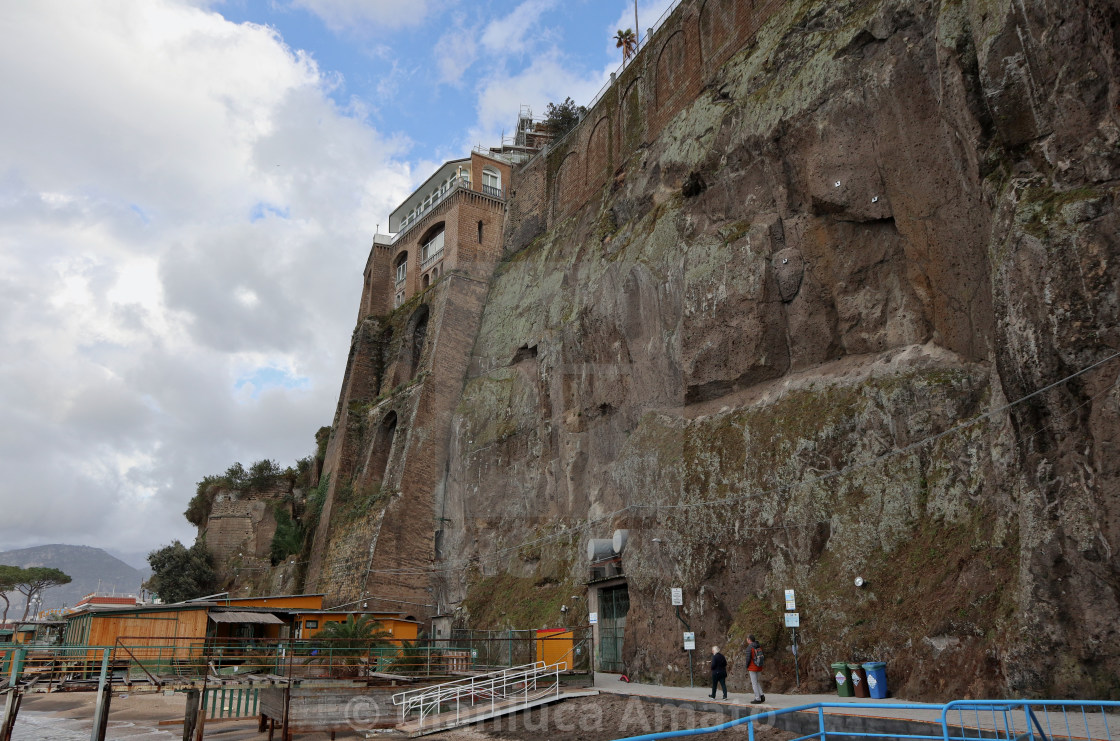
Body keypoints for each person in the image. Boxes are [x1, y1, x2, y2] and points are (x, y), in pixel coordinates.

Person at [747, 634, 765, 704]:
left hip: (752, 667)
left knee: (754, 683)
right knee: (757, 682)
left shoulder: (750, 647)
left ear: (749, 640)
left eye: (747, 639)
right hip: (759, 666)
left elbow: (748, 658)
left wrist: (747, 666)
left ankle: (757, 698)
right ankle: (762, 695)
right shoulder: (758, 646)